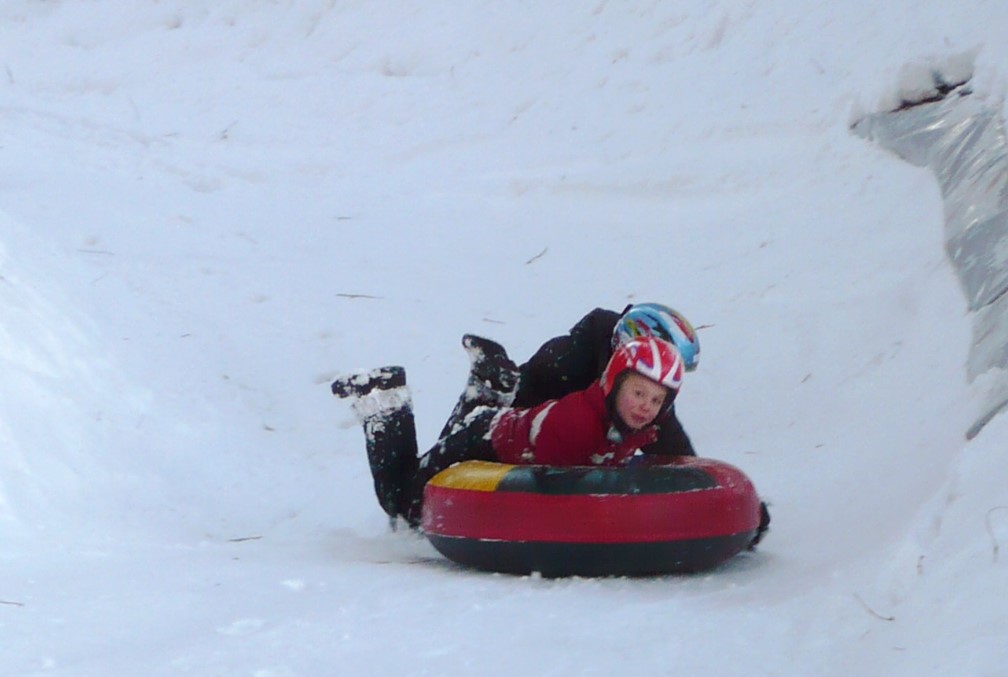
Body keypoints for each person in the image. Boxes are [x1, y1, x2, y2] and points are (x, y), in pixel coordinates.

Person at [332, 336, 684, 529]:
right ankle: (382, 396)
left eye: (656, 400)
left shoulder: (628, 427)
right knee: (406, 503)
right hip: (482, 443)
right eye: (638, 393)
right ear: (613, 385)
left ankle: (487, 383)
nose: (645, 407)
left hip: (500, 431)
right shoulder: (578, 423)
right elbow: (553, 492)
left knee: (434, 467)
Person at [510, 302, 701, 457]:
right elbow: (521, 413)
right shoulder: (569, 362)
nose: (648, 403)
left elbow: (671, 447)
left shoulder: (648, 397)